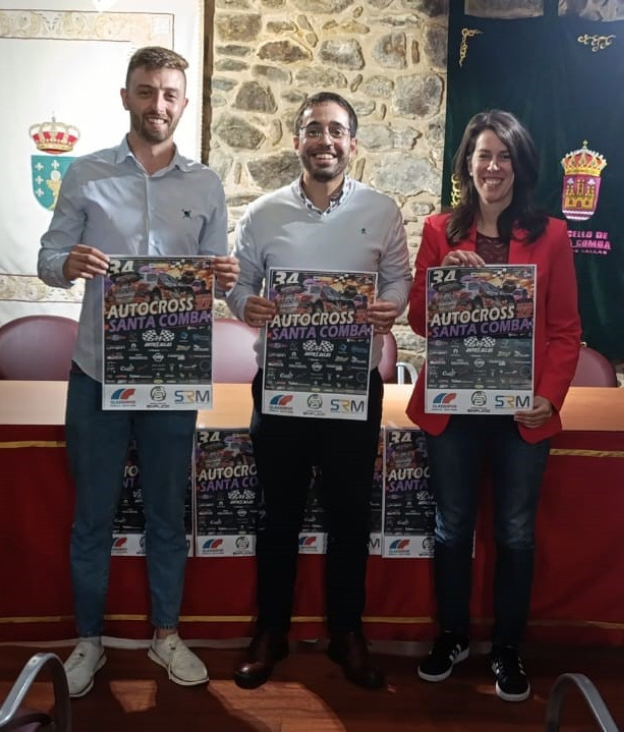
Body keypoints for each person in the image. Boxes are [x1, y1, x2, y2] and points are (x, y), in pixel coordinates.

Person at [36, 46, 240, 697]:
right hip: (97, 372)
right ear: (126, 97)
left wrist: (225, 278)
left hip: (172, 375)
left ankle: (166, 635)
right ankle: (88, 641)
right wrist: (67, 264)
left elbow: (215, 279)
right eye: (147, 91)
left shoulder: (206, 184)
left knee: (166, 515)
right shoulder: (86, 173)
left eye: (170, 94)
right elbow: (47, 256)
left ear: (184, 102)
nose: (159, 104)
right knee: (91, 516)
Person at [225, 91, 412, 691]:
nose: (323, 141)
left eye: (335, 131)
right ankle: (270, 632)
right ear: (297, 140)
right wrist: (245, 305)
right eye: (313, 129)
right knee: (276, 514)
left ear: (352, 142)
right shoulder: (263, 214)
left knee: (350, 515)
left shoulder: (382, 210)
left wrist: (391, 307)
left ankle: (347, 633)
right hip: (281, 386)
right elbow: (239, 284)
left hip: (354, 387)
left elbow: (399, 279)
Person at [406, 109, 581, 702]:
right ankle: (452, 635)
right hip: (453, 406)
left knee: (515, 532)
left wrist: (549, 397)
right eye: (484, 155)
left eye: (504, 156)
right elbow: (420, 321)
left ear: (520, 166)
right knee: (451, 527)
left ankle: (507, 646)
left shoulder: (552, 235)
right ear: (467, 164)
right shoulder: (439, 230)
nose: (493, 167)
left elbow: (565, 330)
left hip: (520, 413)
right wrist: (441, 279)